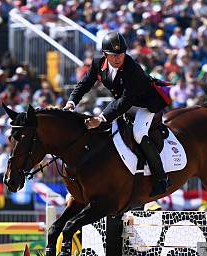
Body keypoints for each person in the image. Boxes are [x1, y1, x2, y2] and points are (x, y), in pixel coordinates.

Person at [63, 32, 173, 196]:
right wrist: (71, 103)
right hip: (125, 104)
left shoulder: (132, 68)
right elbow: (84, 84)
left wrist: (101, 118)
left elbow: (125, 101)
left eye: (121, 54)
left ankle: (161, 178)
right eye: (113, 55)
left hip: (144, 105)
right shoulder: (97, 64)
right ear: (105, 54)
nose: (118, 58)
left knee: (138, 133)